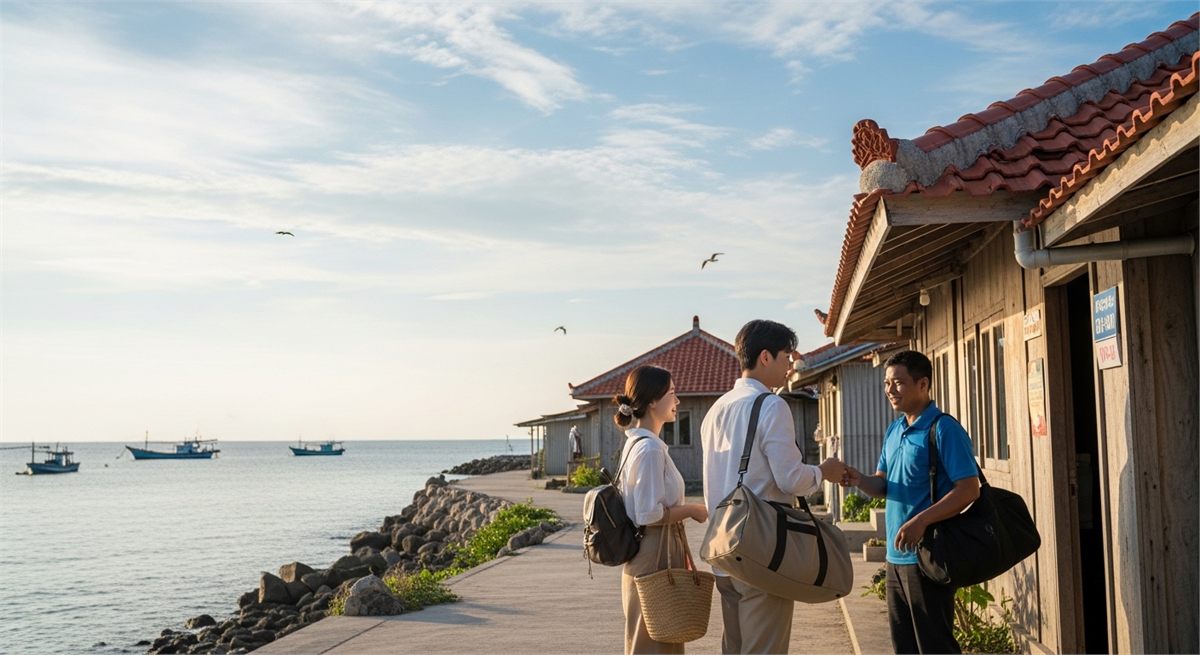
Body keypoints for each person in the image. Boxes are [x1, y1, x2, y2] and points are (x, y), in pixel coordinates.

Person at [701, 319, 846, 654]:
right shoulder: (771, 405)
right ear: (765, 357)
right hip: (762, 546)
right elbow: (790, 479)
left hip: (722, 544)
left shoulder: (716, 409)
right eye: (786, 357)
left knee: (734, 647)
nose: (790, 367)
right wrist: (823, 471)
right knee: (765, 647)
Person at [840, 350, 981, 654]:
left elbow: (969, 489)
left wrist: (921, 521)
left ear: (923, 384)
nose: (890, 390)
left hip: (929, 556)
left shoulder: (943, 429)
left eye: (898, 383)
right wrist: (859, 479)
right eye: (887, 383)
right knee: (903, 646)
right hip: (895, 556)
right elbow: (884, 484)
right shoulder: (895, 430)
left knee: (935, 646)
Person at [614, 365, 709, 655]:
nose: (677, 401)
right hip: (653, 555)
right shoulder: (649, 450)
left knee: (658, 640)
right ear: (653, 401)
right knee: (653, 644)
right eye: (672, 393)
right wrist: (692, 509)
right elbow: (648, 514)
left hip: (653, 553)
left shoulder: (638, 445)